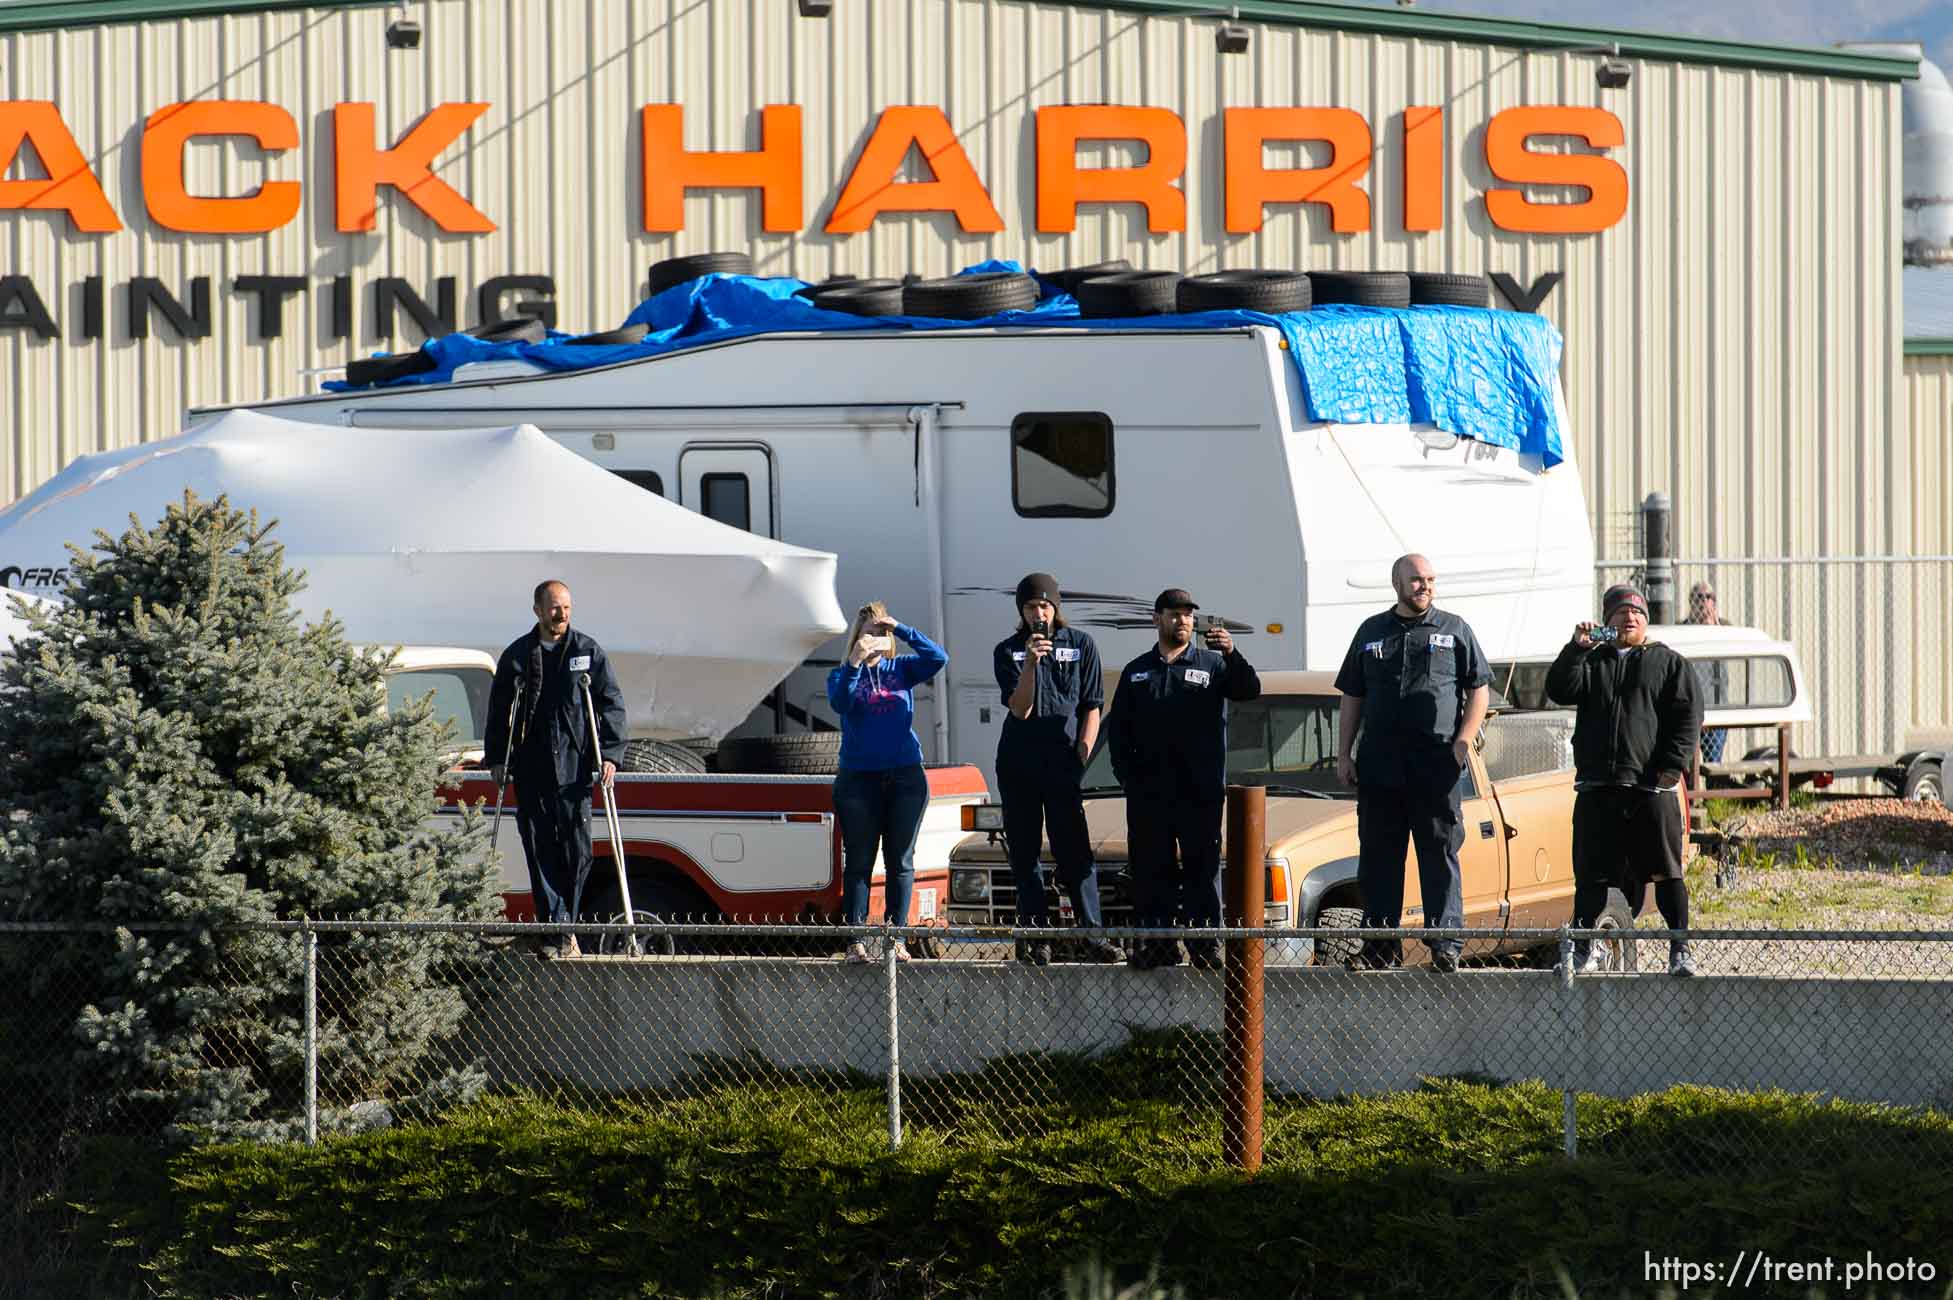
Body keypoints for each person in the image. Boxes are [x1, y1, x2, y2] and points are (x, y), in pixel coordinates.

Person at [1333, 553, 1489, 974]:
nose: (1425, 586)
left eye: (1430, 580)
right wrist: (1344, 752)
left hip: (1436, 762)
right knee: (1380, 858)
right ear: (1397, 584)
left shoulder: (1455, 630)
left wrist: (1462, 743)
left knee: (1438, 853)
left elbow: (1479, 690)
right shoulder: (1371, 632)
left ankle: (1445, 944)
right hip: (1380, 764)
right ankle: (1381, 947)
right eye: (1417, 580)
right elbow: (1353, 695)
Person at [1546, 583, 1704, 977]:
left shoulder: (1669, 663)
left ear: (1645, 620)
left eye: (1636, 613)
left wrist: (1671, 766)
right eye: (1619, 613)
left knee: (1667, 873)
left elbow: (1688, 719)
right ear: (1606, 621)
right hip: (1599, 788)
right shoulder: (1593, 661)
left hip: (1651, 789)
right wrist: (1576, 648)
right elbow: (1559, 688)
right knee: (1591, 876)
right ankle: (1586, 950)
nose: (1629, 618)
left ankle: (1680, 950)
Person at [1104, 588, 1261, 970]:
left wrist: (1232, 653)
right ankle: (1157, 946)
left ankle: (1204, 946)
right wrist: (1129, 777)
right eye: (1175, 614)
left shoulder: (1213, 664)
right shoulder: (1138, 670)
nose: (1183, 620)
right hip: (1149, 795)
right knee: (1151, 872)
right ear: (1156, 619)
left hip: (1199, 792)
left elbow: (1249, 690)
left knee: (1201, 871)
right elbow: (1119, 731)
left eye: (1189, 615)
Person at [485, 580, 627, 958]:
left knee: (577, 852)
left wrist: (610, 754)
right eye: (552, 607)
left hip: (574, 770)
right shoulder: (517, 656)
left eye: (565, 607)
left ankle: (565, 926)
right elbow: (499, 712)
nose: (560, 614)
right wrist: (498, 758)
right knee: (539, 847)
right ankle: (557, 931)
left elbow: (611, 703)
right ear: (537, 610)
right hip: (532, 769)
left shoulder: (587, 652)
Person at [992, 572, 1123, 966]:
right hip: (1019, 763)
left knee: (1075, 852)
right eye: (1031, 606)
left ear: (1056, 608)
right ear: (1022, 610)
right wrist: (1031, 662)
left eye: (1045, 606)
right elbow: (1020, 708)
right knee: (1025, 853)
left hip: (1063, 762)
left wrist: (1083, 752)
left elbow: (1092, 706)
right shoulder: (1008, 651)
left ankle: (1092, 935)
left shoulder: (1081, 644)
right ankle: (1037, 936)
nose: (1039, 613)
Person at [827, 601, 948, 963]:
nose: (876, 639)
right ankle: (856, 941)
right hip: (859, 780)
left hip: (905, 776)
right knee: (860, 862)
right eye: (870, 633)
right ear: (857, 637)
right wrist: (854, 663)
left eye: (882, 633)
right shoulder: (841, 674)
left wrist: (902, 628)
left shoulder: (901, 670)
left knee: (901, 861)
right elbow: (840, 703)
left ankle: (896, 939)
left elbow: (938, 658)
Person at [1684, 580, 1730, 763]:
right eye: (1698, 597)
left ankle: (1714, 791)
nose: (1703, 602)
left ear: (1714, 602)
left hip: (1716, 707)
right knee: (1687, 764)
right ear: (1691, 602)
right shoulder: (1681, 629)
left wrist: (1714, 628)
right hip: (1690, 709)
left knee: (1714, 763)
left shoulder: (1725, 628)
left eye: (1708, 597)